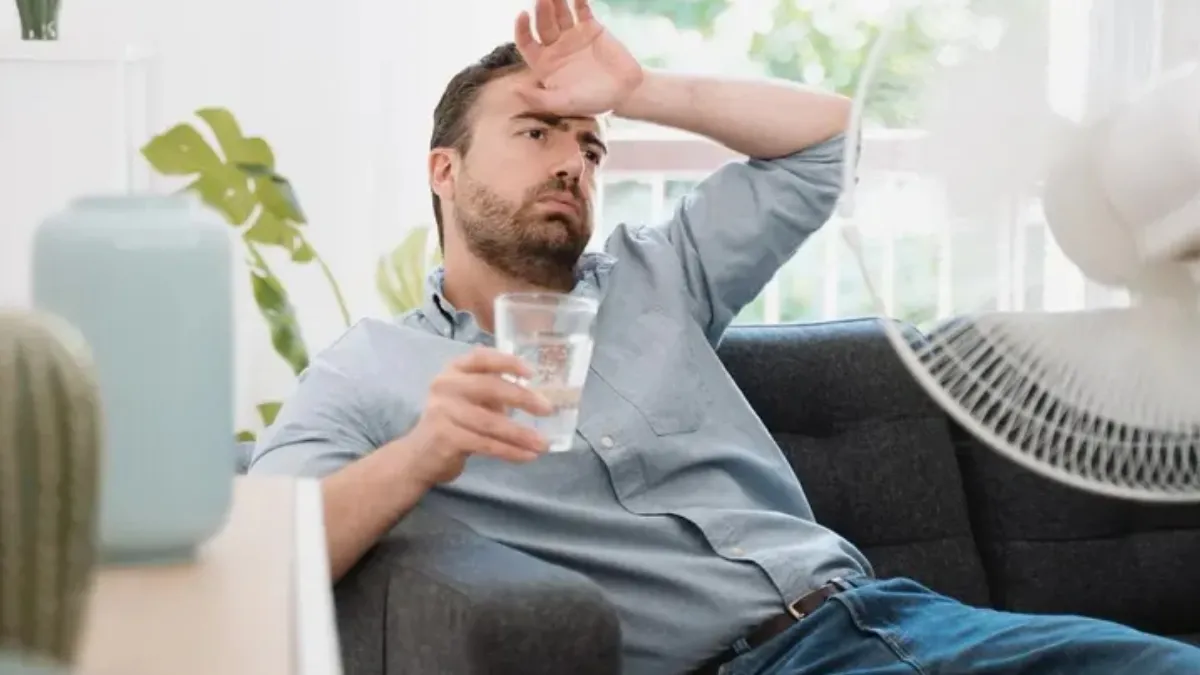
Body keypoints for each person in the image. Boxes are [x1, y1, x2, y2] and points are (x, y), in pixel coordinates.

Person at [247, 1, 1200, 673]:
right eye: (537, 133)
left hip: (890, 620)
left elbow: (830, 143)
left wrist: (640, 88)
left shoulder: (659, 276)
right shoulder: (371, 370)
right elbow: (266, 558)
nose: (573, 163)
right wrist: (422, 453)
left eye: (589, 147)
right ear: (444, 170)